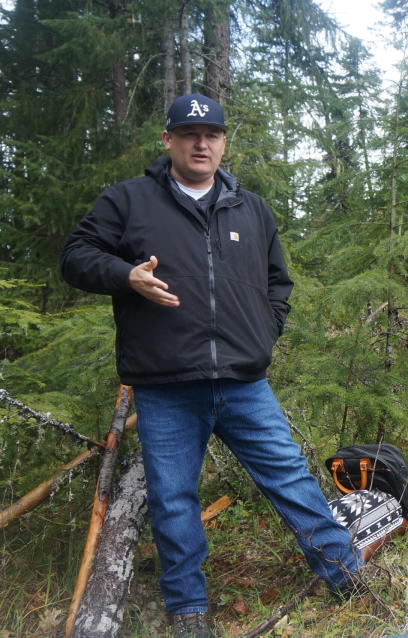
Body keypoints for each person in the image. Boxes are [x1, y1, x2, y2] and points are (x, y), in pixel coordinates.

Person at [61, 94, 363, 638]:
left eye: (212, 134)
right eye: (189, 133)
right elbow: (76, 257)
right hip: (167, 385)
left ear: (223, 142)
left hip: (245, 382)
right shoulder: (129, 202)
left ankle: (343, 572)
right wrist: (126, 275)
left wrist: (266, 329)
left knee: (291, 478)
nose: (202, 143)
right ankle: (189, 611)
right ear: (169, 140)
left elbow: (278, 283)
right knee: (175, 499)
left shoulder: (250, 209)